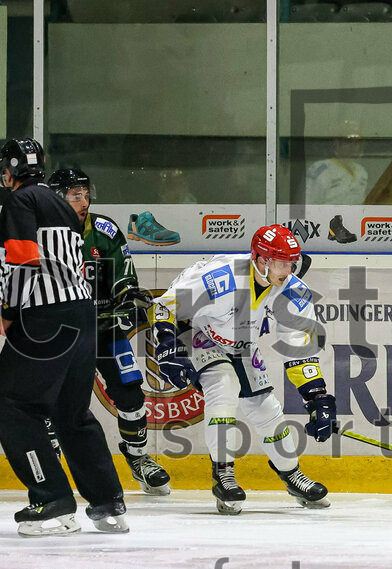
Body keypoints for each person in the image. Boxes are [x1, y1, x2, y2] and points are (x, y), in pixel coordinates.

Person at [148, 224, 335, 514]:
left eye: (291, 263)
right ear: (260, 259)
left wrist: (317, 397)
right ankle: (223, 473)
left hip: (242, 341)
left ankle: (291, 474)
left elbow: (299, 350)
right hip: (199, 331)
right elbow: (164, 306)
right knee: (223, 387)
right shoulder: (221, 279)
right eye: (281, 263)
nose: (288, 270)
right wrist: (167, 347)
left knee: (266, 408)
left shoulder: (294, 291)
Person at [0, 138, 128, 536]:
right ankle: (108, 503)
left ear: (13, 169)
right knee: (71, 412)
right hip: (81, 315)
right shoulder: (59, 204)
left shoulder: (21, 203)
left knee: (12, 405)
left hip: (45, 318)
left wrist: (6, 310)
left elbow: (22, 260)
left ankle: (51, 499)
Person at [48, 168, 171, 495]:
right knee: (50, 397)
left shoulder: (103, 230)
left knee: (130, 391)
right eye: (76, 196)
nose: (84, 201)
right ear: (58, 196)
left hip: (105, 328)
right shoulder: (40, 232)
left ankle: (138, 457)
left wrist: (127, 292)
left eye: (86, 195)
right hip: (59, 333)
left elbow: (121, 271)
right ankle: (49, 466)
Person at [304, 121, 369, 206]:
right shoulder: (321, 169)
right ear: (337, 143)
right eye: (348, 141)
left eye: (357, 142)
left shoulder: (361, 172)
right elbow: (308, 203)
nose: (353, 145)